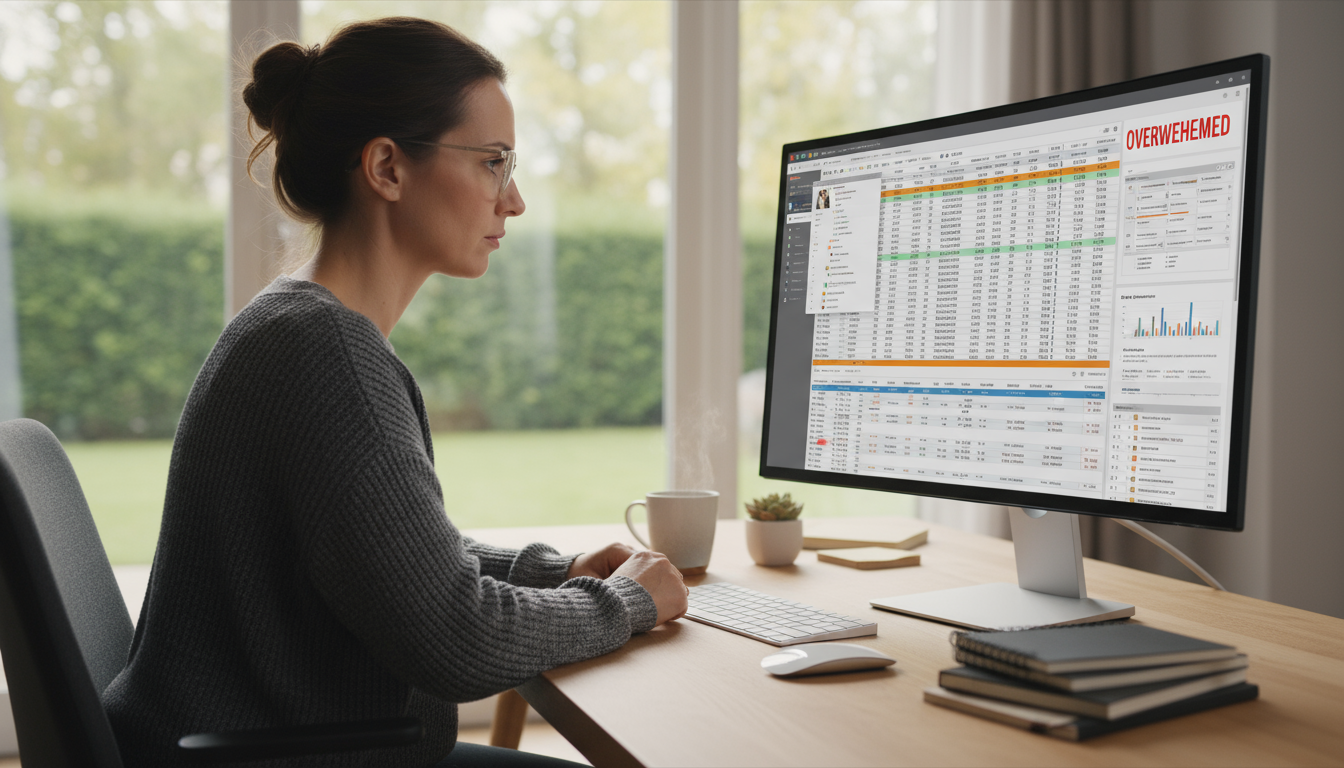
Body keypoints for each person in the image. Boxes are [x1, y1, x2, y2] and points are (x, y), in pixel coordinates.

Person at [101, 17, 688, 768]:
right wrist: (629, 603)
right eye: (493, 163)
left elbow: (396, 559)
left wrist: (554, 573)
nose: (515, 202)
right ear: (386, 167)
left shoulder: (294, 322)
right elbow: (457, 641)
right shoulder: (326, 354)